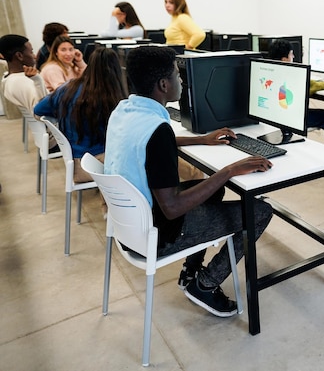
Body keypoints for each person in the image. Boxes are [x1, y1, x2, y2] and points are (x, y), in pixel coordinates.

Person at [105, 45, 273, 317]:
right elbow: (171, 207)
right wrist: (229, 170)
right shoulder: (157, 130)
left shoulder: (124, 111)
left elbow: (150, 143)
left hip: (128, 225)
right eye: (176, 75)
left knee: (213, 191)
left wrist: (201, 140)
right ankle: (205, 285)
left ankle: (190, 272)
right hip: (156, 234)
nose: (181, 80)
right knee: (260, 210)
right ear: (163, 84)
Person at [34, 48, 127, 182]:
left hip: (74, 161)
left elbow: (38, 109)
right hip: (92, 166)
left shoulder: (67, 88)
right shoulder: (109, 99)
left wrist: (65, 111)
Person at [268, 39, 324, 149]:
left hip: (280, 115)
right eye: (291, 54)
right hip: (293, 118)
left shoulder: (271, 70)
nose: (294, 56)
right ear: (284, 59)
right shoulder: (291, 73)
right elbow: (311, 86)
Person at [0, 34, 48, 113]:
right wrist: (38, 81)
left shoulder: (8, 77)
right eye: (31, 52)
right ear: (19, 56)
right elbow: (41, 112)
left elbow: (7, 62)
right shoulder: (20, 82)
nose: (35, 56)